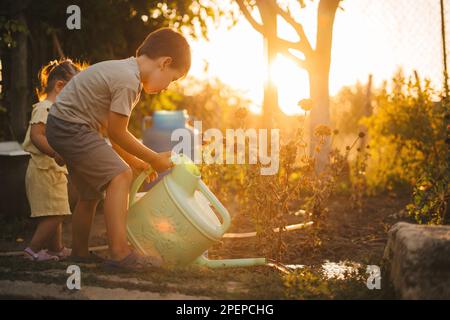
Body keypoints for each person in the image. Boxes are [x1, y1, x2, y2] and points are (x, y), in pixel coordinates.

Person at [46, 28, 191, 271]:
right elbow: (116, 133)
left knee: (89, 193)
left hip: (64, 126)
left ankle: (80, 253)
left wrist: (136, 161)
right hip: (72, 127)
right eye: (172, 79)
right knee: (119, 176)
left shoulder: (123, 70)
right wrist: (154, 158)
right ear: (165, 63)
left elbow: (113, 133)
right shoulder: (128, 81)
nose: (167, 87)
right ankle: (119, 253)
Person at [23, 59, 81, 261]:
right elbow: (36, 135)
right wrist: (55, 153)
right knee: (56, 213)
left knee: (56, 210)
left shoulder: (55, 110)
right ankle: (32, 250)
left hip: (52, 172)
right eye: (74, 91)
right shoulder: (45, 107)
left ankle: (55, 248)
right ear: (60, 86)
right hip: (44, 170)